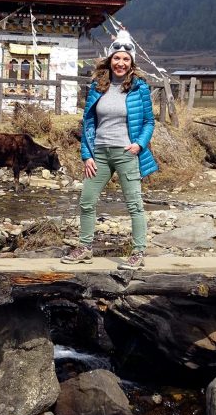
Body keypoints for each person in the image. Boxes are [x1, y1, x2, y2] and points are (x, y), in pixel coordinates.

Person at [61, 29, 158, 268]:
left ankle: (138, 252)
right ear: (110, 60)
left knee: (134, 204)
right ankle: (84, 248)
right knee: (87, 200)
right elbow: (88, 122)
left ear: (131, 62)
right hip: (100, 155)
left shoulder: (140, 88)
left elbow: (149, 121)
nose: (121, 63)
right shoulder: (97, 86)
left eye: (126, 59)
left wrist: (139, 144)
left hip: (126, 154)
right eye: (117, 58)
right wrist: (87, 155)